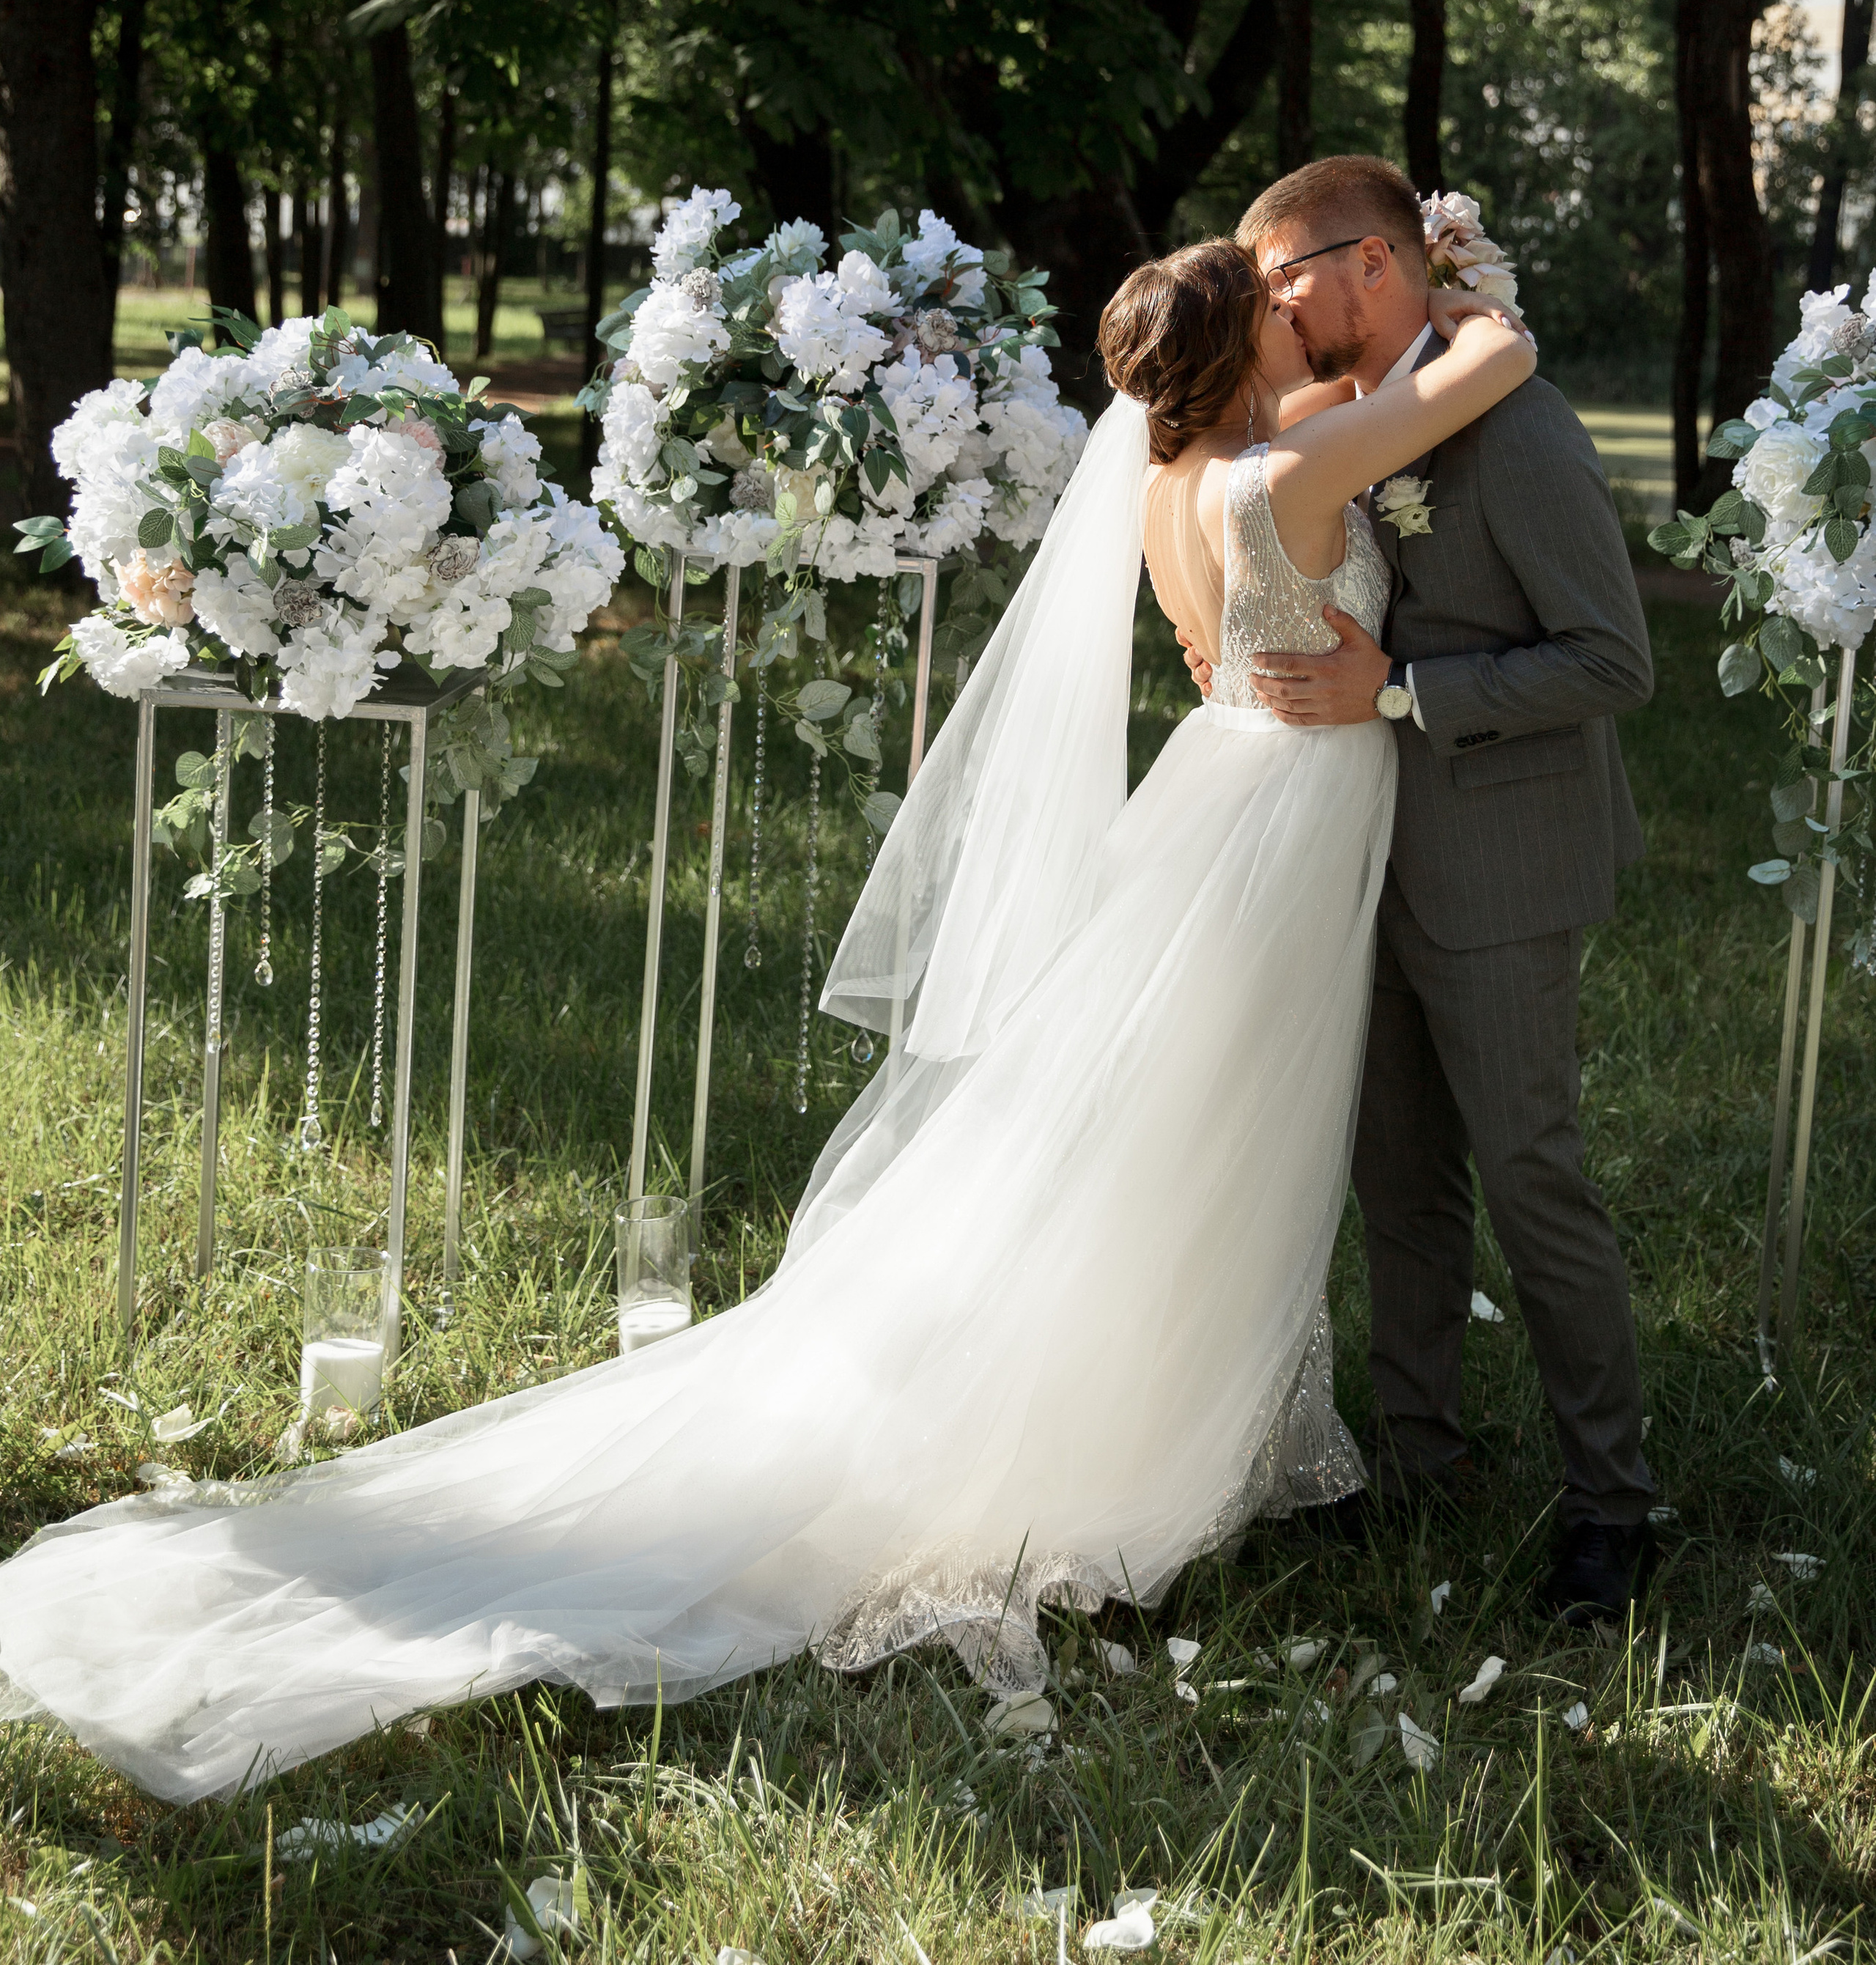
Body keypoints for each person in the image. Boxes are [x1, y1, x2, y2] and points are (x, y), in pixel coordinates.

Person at [0, 237, 1531, 1804]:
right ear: (1237, 353)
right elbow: (1487, 367)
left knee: (1164, 1128)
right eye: (1283, 306)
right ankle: (1142, 1438)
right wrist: (1460, 268)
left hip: (1225, 792)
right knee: (1213, 1132)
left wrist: (1347, 343)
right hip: (1271, 827)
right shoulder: (1289, 464)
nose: (1311, 317)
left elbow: (1351, 414)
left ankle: (1183, 1402)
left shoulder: (1172, 476)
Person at [1181, 156, 1657, 1623]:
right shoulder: (1366, 409)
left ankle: (1612, 1503)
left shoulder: (1515, 434)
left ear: (1372, 263)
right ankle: (1418, 1460)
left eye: (1285, 281)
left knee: (1528, 1173)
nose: (1274, 308)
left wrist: (1396, 688)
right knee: (1398, 1179)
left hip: (1499, 859)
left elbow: (1611, 661)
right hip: (1358, 854)